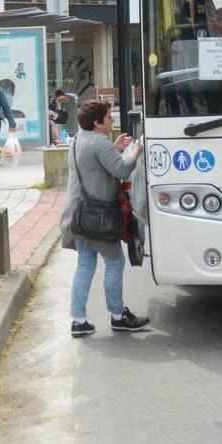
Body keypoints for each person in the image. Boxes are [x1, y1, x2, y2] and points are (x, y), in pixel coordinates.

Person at [59, 99, 149, 337]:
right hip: (98, 217)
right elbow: (121, 170)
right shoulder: (100, 142)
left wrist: (116, 149)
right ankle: (118, 316)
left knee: (85, 266)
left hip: (78, 214)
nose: (112, 120)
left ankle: (79, 320)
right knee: (115, 263)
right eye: (108, 117)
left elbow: (96, 166)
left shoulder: (79, 139)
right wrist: (136, 152)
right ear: (98, 123)